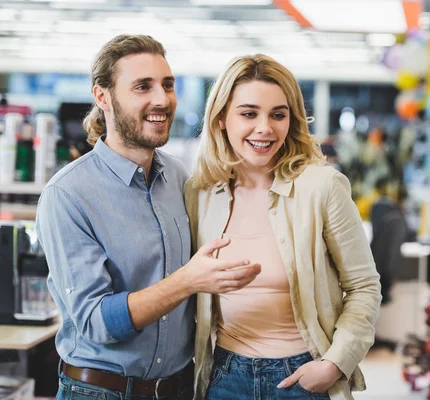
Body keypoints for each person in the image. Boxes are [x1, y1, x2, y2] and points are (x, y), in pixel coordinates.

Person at [35, 34, 261, 400]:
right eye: (143, 86)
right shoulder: (68, 195)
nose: (162, 99)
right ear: (103, 97)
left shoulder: (180, 178)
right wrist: (187, 281)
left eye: (167, 85)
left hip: (179, 388)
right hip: (99, 392)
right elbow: (95, 322)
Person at [183, 54, 382, 400]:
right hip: (226, 376)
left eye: (278, 114)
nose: (265, 128)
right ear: (220, 120)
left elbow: (364, 286)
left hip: (302, 376)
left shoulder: (322, 187)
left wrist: (334, 364)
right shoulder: (201, 193)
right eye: (248, 113)